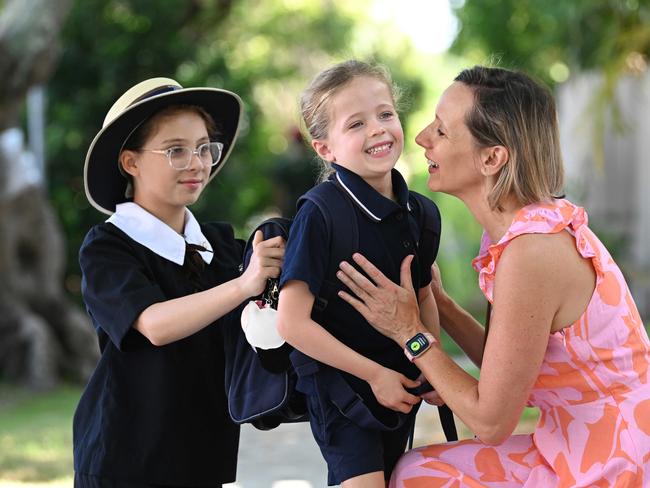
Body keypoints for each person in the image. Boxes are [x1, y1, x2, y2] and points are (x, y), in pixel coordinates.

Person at [336, 65, 650, 487]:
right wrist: (442, 307)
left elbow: (491, 420)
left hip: (617, 456)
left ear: (492, 158)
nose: (422, 138)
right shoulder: (522, 227)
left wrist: (409, 332)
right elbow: (512, 365)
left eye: (442, 131)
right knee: (417, 470)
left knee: (419, 479)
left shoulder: (533, 250)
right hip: (574, 440)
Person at [74, 77, 284, 487]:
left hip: (204, 456)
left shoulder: (224, 247)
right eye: (176, 151)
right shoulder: (108, 246)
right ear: (130, 162)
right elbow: (154, 324)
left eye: (205, 148)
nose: (197, 163)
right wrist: (244, 285)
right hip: (125, 461)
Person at [276, 60, 442, 487]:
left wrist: (434, 367)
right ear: (325, 149)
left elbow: (423, 296)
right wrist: (373, 374)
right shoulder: (320, 213)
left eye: (385, 114)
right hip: (341, 387)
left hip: (400, 383)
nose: (378, 129)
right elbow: (291, 322)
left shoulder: (421, 212)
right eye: (356, 124)